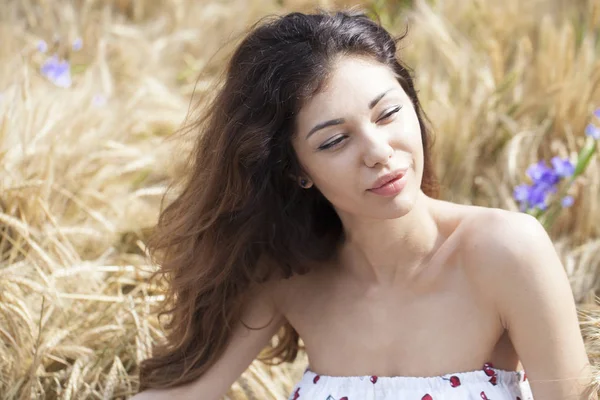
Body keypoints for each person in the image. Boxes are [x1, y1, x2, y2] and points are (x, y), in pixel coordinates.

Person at [131, 8, 597, 400]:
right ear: (295, 169)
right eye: (335, 141)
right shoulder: (289, 275)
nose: (378, 151)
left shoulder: (504, 252)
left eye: (389, 113)